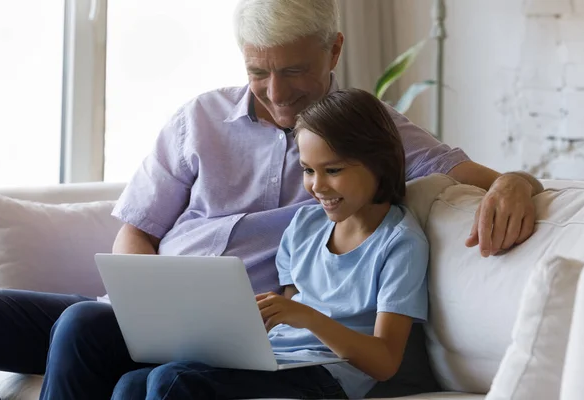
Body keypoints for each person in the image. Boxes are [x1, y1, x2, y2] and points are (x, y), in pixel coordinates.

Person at [0, 1, 543, 399]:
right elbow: (138, 230)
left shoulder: (368, 134)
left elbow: (481, 175)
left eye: (294, 70)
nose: (276, 92)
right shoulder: (199, 119)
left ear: (334, 49)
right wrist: (151, 310)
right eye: (259, 72)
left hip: (243, 335)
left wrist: (519, 181)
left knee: (80, 328)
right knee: (52, 319)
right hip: (144, 318)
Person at [111, 88, 429, 400]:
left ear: (380, 162)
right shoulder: (304, 225)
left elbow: (385, 362)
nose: (317, 186)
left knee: (173, 380)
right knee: (132, 383)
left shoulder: (400, 244)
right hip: (277, 362)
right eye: (307, 170)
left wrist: (307, 317)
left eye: (333, 170)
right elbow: (286, 325)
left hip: (328, 376)